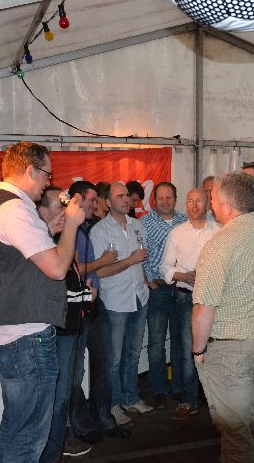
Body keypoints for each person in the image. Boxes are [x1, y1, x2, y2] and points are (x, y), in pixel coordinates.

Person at [0, 141, 85, 462]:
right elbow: (58, 267)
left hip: (12, 329)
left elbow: (15, 257)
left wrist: (49, 229)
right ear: (30, 170)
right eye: (47, 175)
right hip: (25, 335)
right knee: (30, 434)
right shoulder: (15, 209)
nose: (49, 182)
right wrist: (72, 224)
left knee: (18, 426)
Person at [192, 172, 254, 463]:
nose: (210, 204)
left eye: (212, 198)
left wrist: (198, 350)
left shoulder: (220, 244)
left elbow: (204, 308)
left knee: (236, 433)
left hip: (230, 347)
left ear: (226, 203)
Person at [66, 181, 132, 441]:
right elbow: (71, 268)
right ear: (77, 199)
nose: (96, 205)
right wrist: (102, 262)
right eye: (92, 200)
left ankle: (103, 418)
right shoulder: (68, 230)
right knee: (75, 372)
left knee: (103, 364)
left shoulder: (85, 228)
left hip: (94, 303)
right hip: (75, 307)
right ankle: (81, 425)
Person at [90, 181, 154, 425]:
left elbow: (142, 260)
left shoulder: (137, 225)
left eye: (127, 195)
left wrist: (146, 282)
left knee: (133, 353)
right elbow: (99, 272)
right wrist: (129, 260)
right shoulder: (100, 231)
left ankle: (130, 397)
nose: (126, 199)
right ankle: (113, 404)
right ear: (107, 202)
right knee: (114, 358)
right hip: (115, 301)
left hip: (139, 297)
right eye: (120, 196)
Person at [38, 187, 94, 461]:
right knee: (59, 395)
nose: (65, 214)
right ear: (43, 211)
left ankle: (57, 444)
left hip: (71, 326)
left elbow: (70, 280)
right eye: (60, 208)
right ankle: (53, 449)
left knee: (66, 388)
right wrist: (86, 294)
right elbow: (57, 286)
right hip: (59, 330)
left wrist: (85, 291)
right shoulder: (43, 241)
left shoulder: (61, 239)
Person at [159, 188, 220, 419]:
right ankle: (189, 400)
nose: (194, 205)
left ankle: (215, 398)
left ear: (208, 204)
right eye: (190, 201)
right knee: (188, 351)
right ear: (185, 204)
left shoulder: (220, 231)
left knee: (215, 349)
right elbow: (165, 267)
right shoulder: (177, 233)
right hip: (185, 298)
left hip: (214, 298)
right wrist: (182, 276)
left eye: (199, 201)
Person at [141, 182, 188, 408]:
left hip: (181, 290)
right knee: (156, 342)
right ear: (154, 200)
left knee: (180, 341)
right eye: (161, 198)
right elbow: (141, 254)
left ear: (175, 199)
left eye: (169, 197)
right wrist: (149, 282)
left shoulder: (185, 221)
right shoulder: (144, 223)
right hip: (158, 290)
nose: (165, 201)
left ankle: (178, 387)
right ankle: (158, 389)